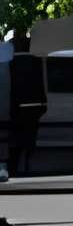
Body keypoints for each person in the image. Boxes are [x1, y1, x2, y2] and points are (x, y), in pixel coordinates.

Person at [6, 33, 47, 177]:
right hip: (33, 107)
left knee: (14, 141)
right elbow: (41, 86)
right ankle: (25, 166)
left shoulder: (10, 64)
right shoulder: (36, 62)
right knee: (28, 140)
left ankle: (14, 168)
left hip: (14, 107)